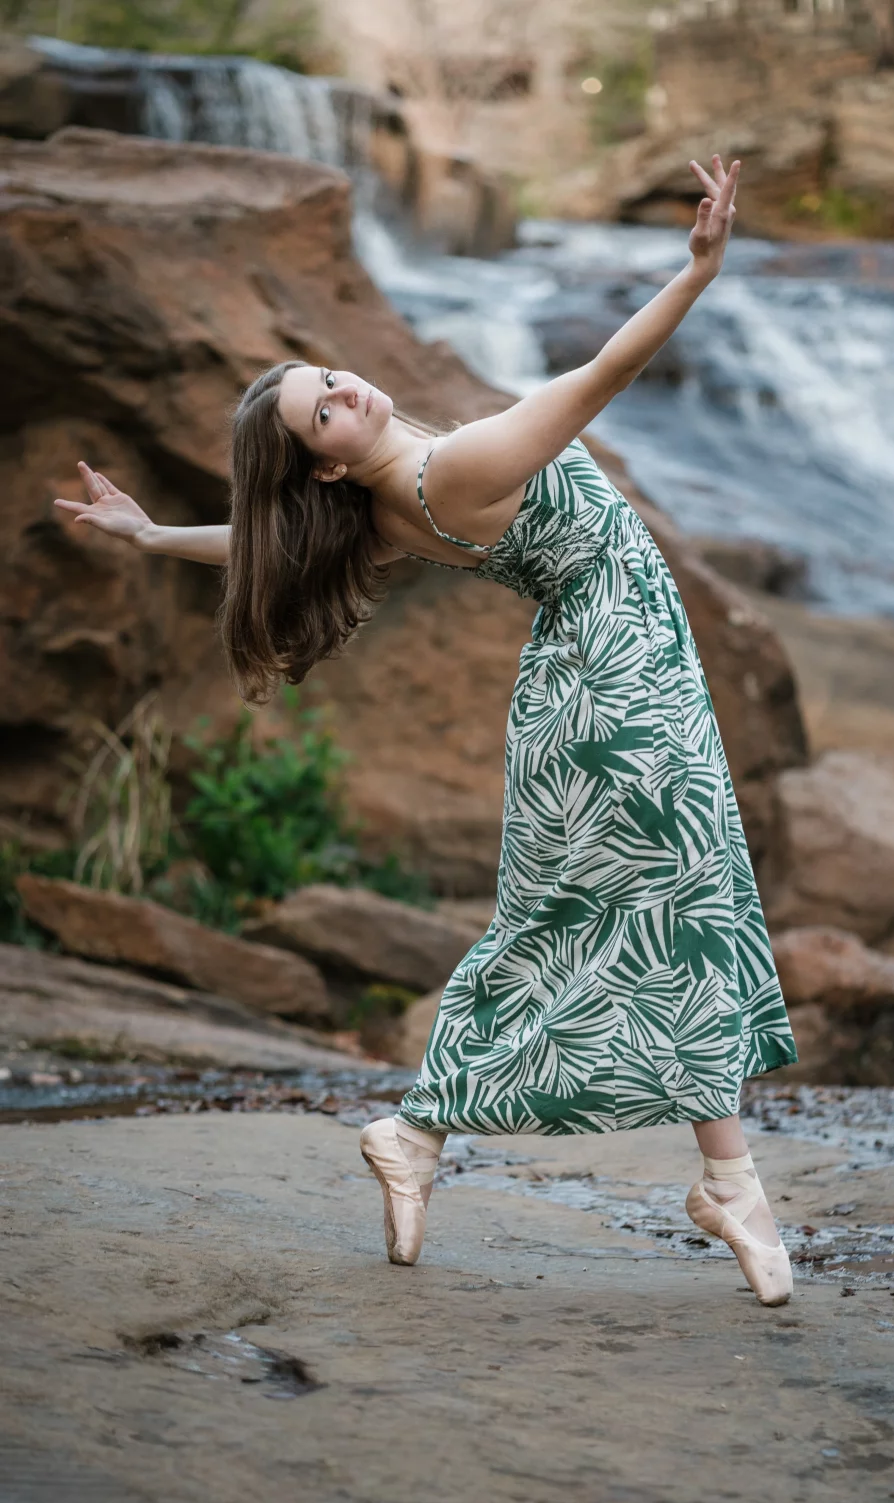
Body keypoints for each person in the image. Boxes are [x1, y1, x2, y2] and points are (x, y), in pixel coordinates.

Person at [58, 156, 797, 1306]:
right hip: (613, 675)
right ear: (322, 456)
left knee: (618, 916)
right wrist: (696, 270)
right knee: (675, 907)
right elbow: (608, 368)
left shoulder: (383, 503)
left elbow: (267, 547)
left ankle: (427, 1141)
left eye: (329, 378)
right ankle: (724, 1184)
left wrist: (156, 537)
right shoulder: (456, 464)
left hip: (585, 682)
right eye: (325, 408)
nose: (347, 387)